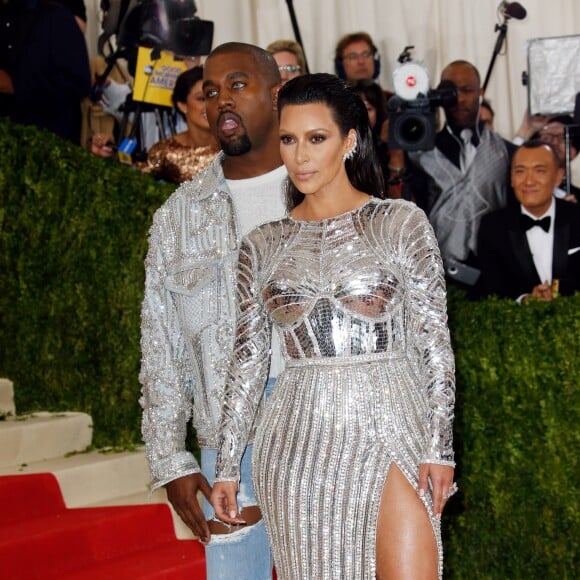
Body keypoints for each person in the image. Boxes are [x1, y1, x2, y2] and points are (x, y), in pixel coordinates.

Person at [210, 73, 457, 579]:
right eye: (289, 139)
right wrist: (229, 463)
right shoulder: (262, 244)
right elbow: (249, 359)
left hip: (391, 423)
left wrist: (440, 445)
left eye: (316, 138)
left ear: (349, 141)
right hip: (297, 440)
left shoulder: (400, 223)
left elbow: (434, 341)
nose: (300, 156)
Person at [139, 42, 287, 580]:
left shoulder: (325, 193)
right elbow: (161, 347)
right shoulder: (177, 217)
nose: (221, 100)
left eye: (238, 85)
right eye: (210, 92)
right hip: (225, 436)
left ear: (277, 95)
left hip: (323, 421)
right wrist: (170, 458)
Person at [390, 60, 516, 286]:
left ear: (481, 92)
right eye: (450, 92)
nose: (459, 99)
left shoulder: (506, 151)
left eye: (467, 90)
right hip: (437, 273)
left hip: (497, 270)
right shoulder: (420, 154)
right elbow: (403, 213)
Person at [476, 140, 580, 300]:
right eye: (520, 171)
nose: (529, 181)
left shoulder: (576, 217)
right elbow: (493, 286)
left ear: (558, 177)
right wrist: (525, 299)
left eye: (539, 171)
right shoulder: (493, 226)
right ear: (511, 178)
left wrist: (557, 293)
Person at [92, 67, 220, 184]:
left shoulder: (234, 148)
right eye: (201, 99)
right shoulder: (165, 151)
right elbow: (129, 183)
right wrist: (107, 158)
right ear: (182, 105)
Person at [0, 0, 91, 144]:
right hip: (8, 144)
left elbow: (78, 83)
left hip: (51, 148)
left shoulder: (55, 16)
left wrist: (16, 85)